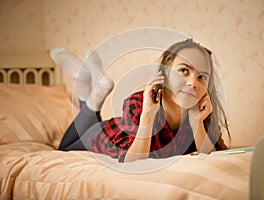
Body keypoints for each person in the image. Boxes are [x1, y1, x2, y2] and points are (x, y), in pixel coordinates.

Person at [50, 38, 230, 163]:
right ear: (165, 72)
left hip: (113, 130)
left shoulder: (200, 112)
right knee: (62, 148)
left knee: (86, 113)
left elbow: (210, 159)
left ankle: (88, 89)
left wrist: (197, 123)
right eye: (184, 70)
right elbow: (133, 161)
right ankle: (92, 96)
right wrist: (147, 117)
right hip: (100, 136)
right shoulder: (141, 102)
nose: (193, 83)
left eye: (202, 77)